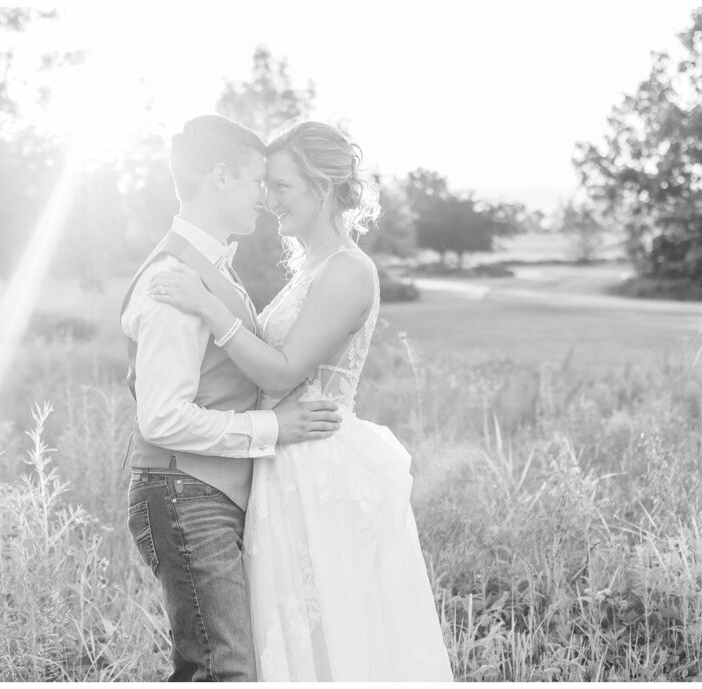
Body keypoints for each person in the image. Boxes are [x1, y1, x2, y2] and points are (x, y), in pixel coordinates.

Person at [149, 121, 455, 681]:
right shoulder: (310, 266)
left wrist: (211, 309)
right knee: (282, 643)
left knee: (331, 637)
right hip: (282, 461)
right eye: (266, 185)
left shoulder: (349, 269)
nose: (268, 200)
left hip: (319, 466)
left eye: (282, 186)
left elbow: (287, 370)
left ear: (322, 187)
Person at [120, 114, 343, 682]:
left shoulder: (209, 270)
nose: (263, 199)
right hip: (184, 495)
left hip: (203, 494)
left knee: (218, 668)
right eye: (254, 182)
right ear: (220, 177)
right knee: (227, 673)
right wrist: (273, 430)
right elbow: (162, 419)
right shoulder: (172, 280)